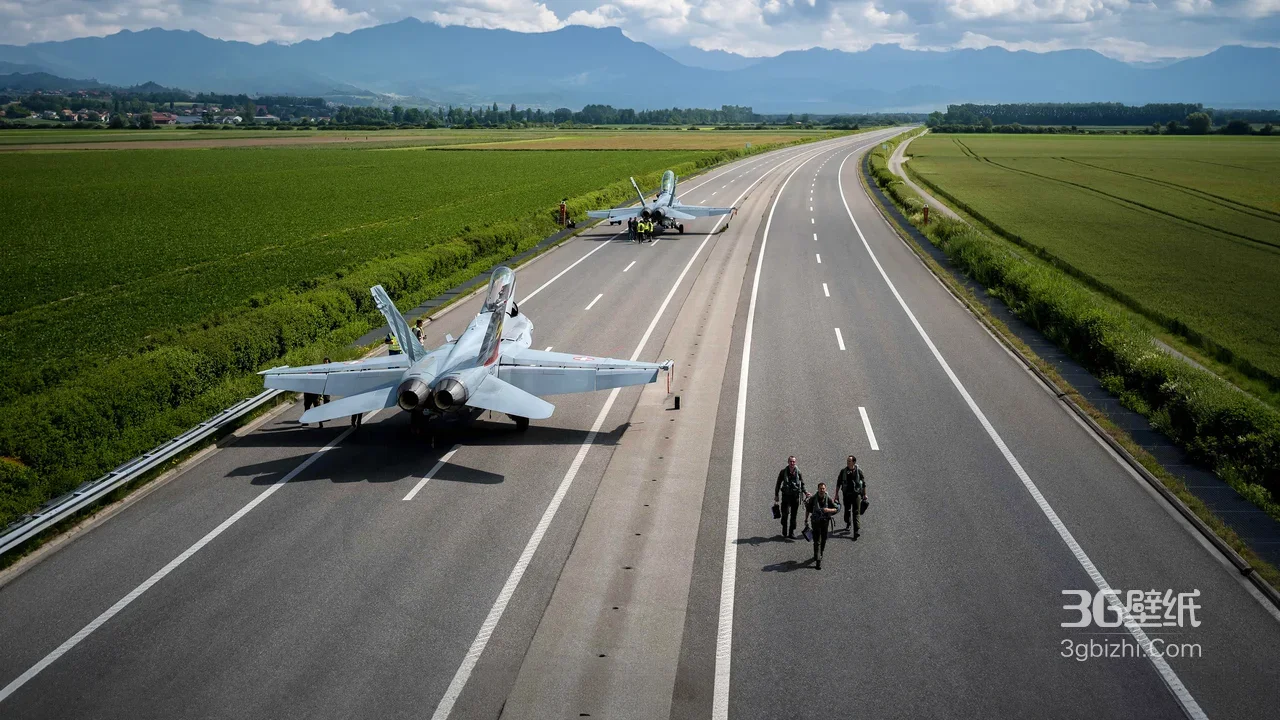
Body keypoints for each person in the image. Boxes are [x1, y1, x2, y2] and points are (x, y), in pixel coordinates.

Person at [834, 455, 867, 539]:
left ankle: (856, 531)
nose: (848, 462)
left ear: (854, 462)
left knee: (856, 513)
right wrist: (836, 494)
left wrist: (864, 494)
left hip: (856, 495)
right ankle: (848, 523)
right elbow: (838, 483)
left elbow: (863, 484)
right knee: (847, 511)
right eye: (847, 461)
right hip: (846, 495)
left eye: (849, 461)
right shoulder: (843, 471)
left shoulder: (859, 471)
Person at [807, 482, 838, 569]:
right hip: (815, 522)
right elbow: (808, 509)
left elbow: (836, 509)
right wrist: (806, 520)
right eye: (820, 488)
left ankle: (820, 553)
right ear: (818, 489)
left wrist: (828, 510)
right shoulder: (813, 498)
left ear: (825, 489)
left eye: (823, 488)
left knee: (823, 540)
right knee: (817, 541)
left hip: (825, 523)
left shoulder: (828, 499)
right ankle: (818, 559)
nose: (822, 490)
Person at [774, 455, 806, 539]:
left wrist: (806, 492)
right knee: (785, 514)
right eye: (790, 461)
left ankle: (791, 532)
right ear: (788, 462)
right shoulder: (783, 472)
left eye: (793, 462)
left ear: (795, 462)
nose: (792, 463)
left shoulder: (798, 472)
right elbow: (778, 483)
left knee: (793, 516)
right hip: (786, 497)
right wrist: (776, 495)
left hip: (795, 497)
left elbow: (802, 483)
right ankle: (784, 528)